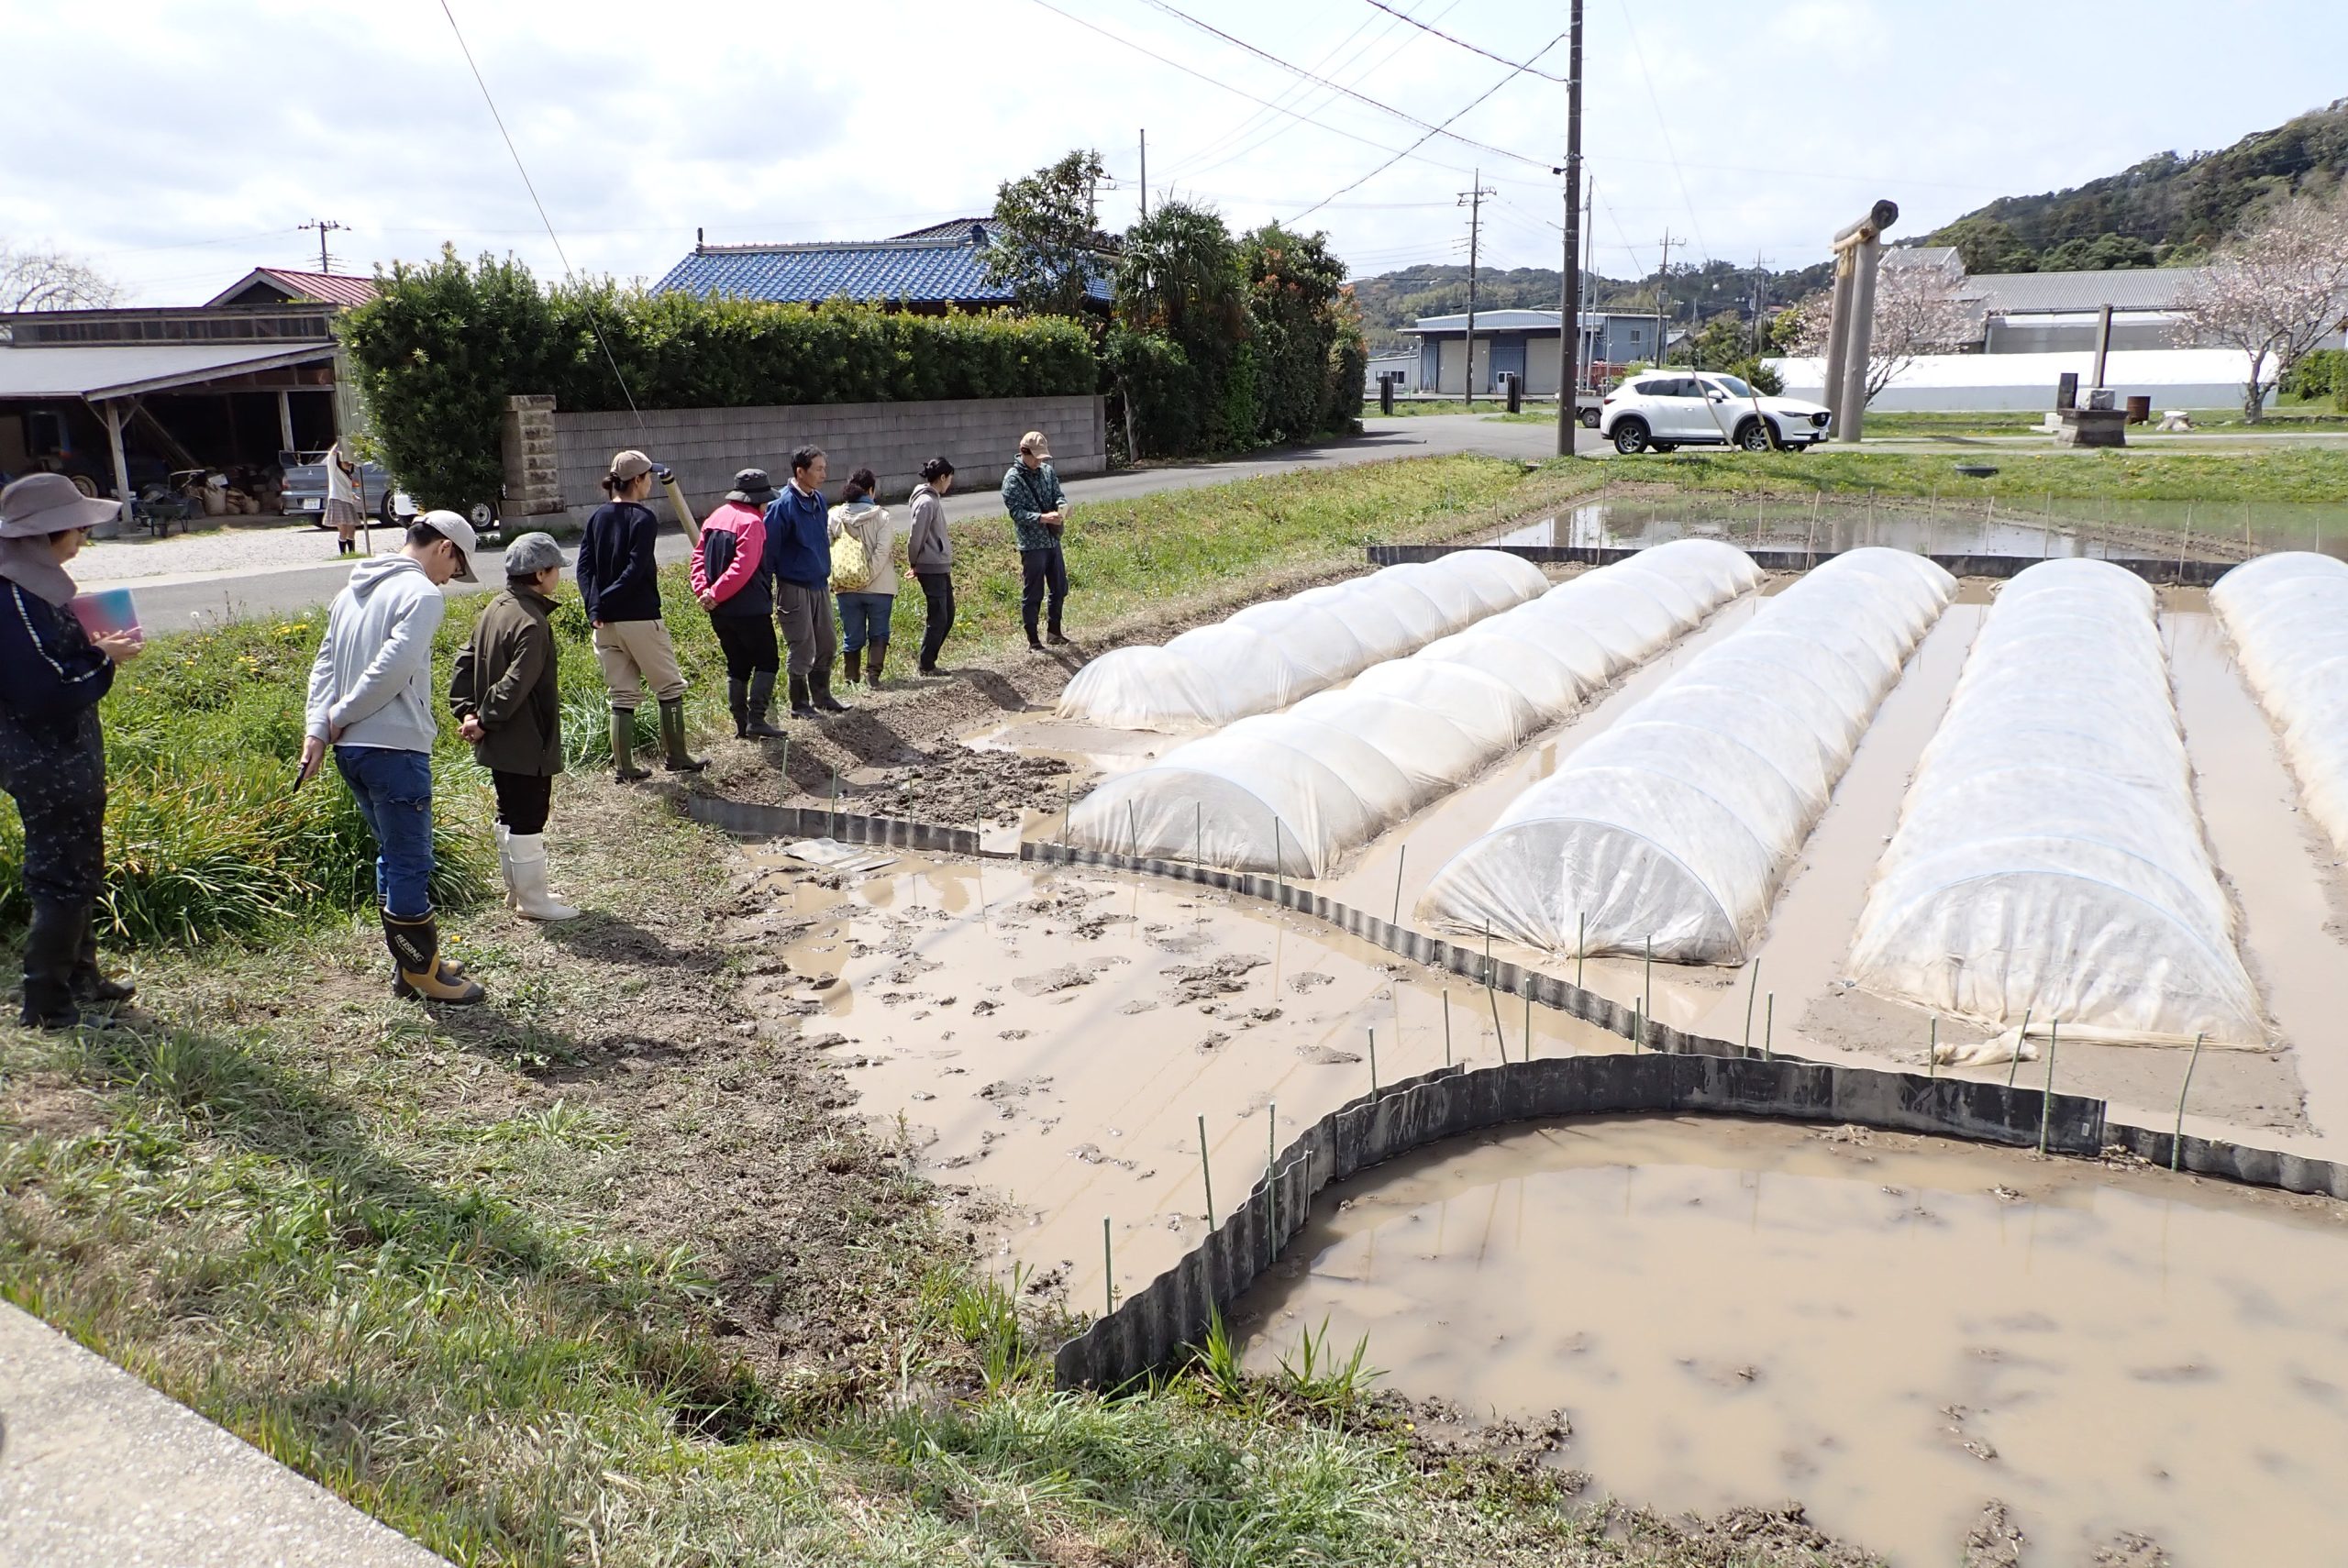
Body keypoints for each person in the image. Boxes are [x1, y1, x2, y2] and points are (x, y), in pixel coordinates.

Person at [299, 510, 485, 1005]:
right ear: (445, 547)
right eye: (457, 567)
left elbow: (325, 662)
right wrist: (342, 713)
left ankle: (411, 963)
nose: (451, 579)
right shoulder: (422, 593)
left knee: (392, 852)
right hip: (394, 745)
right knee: (410, 860)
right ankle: (423, 972)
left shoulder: (351, 590)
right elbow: (392, 668)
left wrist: (320, 726)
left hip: (351, 750)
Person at [0, 474, 143, 1028]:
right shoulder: (13, 599)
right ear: (43, 536)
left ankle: (81, 976)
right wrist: (104, 657)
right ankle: (47, 1004)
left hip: (63, 748)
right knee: (60, 873)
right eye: (76, 528)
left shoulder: (31, 585)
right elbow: (44, 690)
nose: (82, 537)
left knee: (81, 862)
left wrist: (91, 642)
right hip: (42, 753)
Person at [449, 532, 578, 922]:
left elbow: (463, 662)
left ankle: (516, 891)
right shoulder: (532, 622)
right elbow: (515, 684)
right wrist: (484, 720)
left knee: (508, 811)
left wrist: (467, 712)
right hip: (525, 739)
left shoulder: (495, 607)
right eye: (555, 570)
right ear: (540, 573)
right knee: (528, 815)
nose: (558, 577)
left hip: (500, 739)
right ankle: (533, 901)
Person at [577, 448, 704, 781]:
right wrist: (605, 600)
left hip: (603, 623)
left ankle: (625, 768)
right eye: (648, 478)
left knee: (621, 694)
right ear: (637, 480)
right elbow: (635, 570)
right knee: (669, 687)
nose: (650, 484)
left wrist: (594, 606)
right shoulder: (643, 519)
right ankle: (677, 756)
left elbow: (584, 568)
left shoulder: (596, 517)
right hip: (640, 616)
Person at [692, 468, 785, 738]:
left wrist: (705, 592)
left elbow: (697, 559)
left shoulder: (715, 516)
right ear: (759, 498)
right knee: (768, 660)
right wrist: (716, 592)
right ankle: (757, 719)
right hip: (750, 608)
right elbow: (743, 567)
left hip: (719, 610)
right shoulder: (753, 522)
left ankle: (740, 726)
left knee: (737, 663)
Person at [764, 446, 847, 718]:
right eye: (819, 469)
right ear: (800, 472)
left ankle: (822, 696)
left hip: (819, 583)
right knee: (802, 646)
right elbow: (769, 551)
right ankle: (799, 704)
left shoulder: (819, 500)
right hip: (793, 586)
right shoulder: (781, 505)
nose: (824, 474)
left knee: (827, 643)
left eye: (825, 468)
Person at [828, 467, 898, 690]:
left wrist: (849, 577)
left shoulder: (834, 515)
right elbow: (882, 551)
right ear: (870, 490)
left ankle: (851, 679)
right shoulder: (882, 517)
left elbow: (828, 548)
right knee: (879, 631)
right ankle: (873, 676)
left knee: (852, 634)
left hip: (846, 586)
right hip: (879, 587)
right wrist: (867, 577)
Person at [1002, 429, 1070, 650]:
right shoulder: (1013, 479)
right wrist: (1041, 518)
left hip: (1052, 540)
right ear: (1024, 452)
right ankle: (1033, 640)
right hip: (1032, 545)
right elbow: (1017, 513)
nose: (1039, 462)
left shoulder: (1048, 472)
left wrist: (1062, 508)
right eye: (1036, 457)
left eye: (1043, 458)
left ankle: (1054, 631)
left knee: (1059, 586)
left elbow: (1058, 494)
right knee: (1033, 592)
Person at [905, 457, 957, 676]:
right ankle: (926, 664)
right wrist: (914, 563)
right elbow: (916, 536)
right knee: (939, 616)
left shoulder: (932, 499)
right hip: (930, 565)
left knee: (948, 614)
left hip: (939, 565)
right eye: (949, 479)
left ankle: (929, 660)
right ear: (942, 477)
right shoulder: (926, 502)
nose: (950, 484)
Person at [325, 443, 364, 557]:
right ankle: (343, 554)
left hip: (347, 501)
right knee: (343, 528)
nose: (348, 464)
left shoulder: (348, 475)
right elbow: (331, 456)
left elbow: (346, 488)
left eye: (349, 462)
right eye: (345, 461)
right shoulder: (334, 470)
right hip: (337, 500)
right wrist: (340, 443)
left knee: (351, 528)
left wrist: (353, 496)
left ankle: (352, 552)